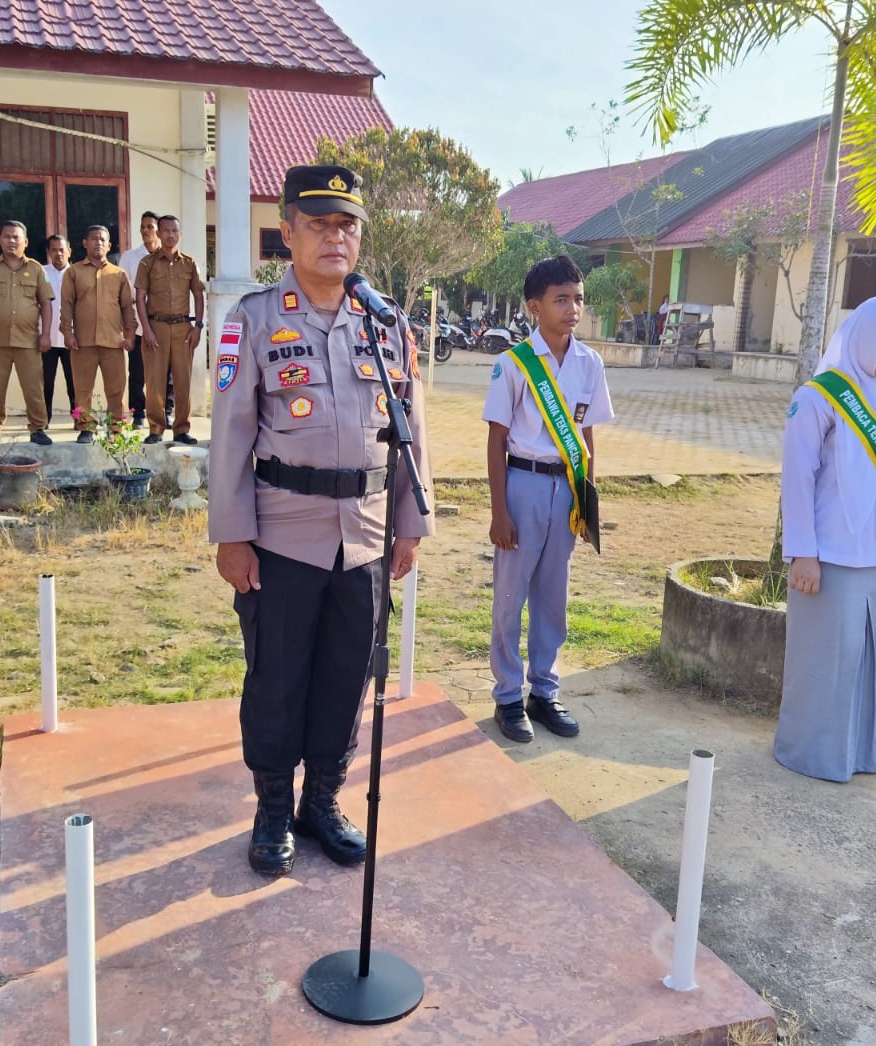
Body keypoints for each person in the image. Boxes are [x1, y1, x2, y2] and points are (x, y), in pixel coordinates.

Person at [209, 164, 434, 877]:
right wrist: (232, 535)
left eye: (347, 225)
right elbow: (230, 436)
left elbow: (410, 428)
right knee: (276, 679)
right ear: (288, 232)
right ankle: (274, 808)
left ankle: (322, 802)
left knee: (346, 678)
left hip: (365, 535)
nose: (335, 237)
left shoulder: (385, 321)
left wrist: (410, 522)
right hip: (283, 536)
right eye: (319, 224)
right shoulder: (253, 319)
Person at [775, 295, 876, 782]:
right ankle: (811, 753)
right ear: (864, 340)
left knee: (868, 661)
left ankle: (859, 752)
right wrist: (803, 553)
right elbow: (797, 478)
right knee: (825, 660)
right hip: (832, 553)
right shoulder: (819, 396)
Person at [482, 254, 613, 743]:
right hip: (523, 484)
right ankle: (507, 695)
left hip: (567, 489)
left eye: (578, 299)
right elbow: (496, 440)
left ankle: (544, 690)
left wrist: (587, 500)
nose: (572, 309)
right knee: (510, 595)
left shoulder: (589, 363)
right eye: (561, 299)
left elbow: (587, 436)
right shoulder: (513, 364)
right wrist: (499, 512)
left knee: (553, 597)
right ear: (535, 306)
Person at [0, 221, 55, 447]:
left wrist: (46, 335)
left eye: (16, 237)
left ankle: (38, 428)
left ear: (25, 242)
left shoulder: (36, 269)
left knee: (34, 388)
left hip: (28, 341)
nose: (11, 241)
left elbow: (46, 304)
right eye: (7, 236)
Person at [59, 225, 137, 442]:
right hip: (82, 342)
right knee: (82, 389)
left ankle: (116, 429)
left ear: (109, 245)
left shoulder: (118, 274)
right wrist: (68, 333)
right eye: (94, 239)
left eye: (103, 240)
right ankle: (86, 428)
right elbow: (66, 305)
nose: (98, 243)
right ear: (85, 243)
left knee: (117, 389)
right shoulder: (73, 272)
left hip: (113, 342)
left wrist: (130, 335)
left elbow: (127, 308)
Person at [135, 215, 206, 445]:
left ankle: (181, 429)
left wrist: (198, 327)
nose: (170, 235)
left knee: (183, 381)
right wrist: (146, 329)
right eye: (165, 231)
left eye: (174, 231)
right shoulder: (147, 263)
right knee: (154, 380)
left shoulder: (190, 263)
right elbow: (140, 297)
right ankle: (155, 429)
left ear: (180, 234)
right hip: (156, 327)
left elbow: (198, 295)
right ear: (158, 233)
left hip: (183, 328)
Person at [119, 211, 163, 430]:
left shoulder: (169, 256)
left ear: (159, 231)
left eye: (150, 227)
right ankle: (138, 413)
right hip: (137, 323)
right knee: (137, 372)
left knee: (164, 371)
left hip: (163, 323)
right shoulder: (129, 257)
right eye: (143, 227)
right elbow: (123, 292)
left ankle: (166, 410)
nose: (146, 230)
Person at [41, 234, 75, 428]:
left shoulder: (77, 273)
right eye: (54, 250)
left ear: (69, 252)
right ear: (48, 252)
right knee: (45, 384)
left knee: (75, 384)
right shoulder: (41, 273)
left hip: (72, 339)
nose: (58, 254)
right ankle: (43, 421)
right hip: (47, 339)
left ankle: (79, 420)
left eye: (62, 250)